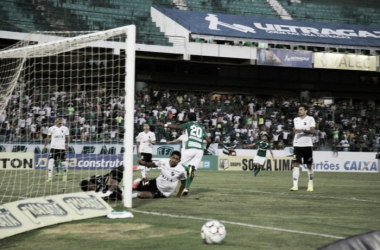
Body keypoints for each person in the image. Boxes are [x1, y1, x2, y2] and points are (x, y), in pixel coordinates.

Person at [156, 112, 210, 196]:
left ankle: (188, 169)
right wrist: (206, 148)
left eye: (186, 117)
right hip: (199, 150)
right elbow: (209, 140)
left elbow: (177, 127)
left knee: (177, 163)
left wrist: (164, 125)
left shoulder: (189, 124)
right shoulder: (201, 127)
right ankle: (186, 189)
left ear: (188, 118)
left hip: (190, 148)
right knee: (191, 171)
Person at [290, 105, 316, 192]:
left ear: (306, 111)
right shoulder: (295, 119)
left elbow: (312, 131)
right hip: (297, 146)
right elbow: (296, 131)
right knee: (296, 164)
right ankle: (295, 186)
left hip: (307, 145)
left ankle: (310, 184)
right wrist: (294, 139)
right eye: (299, 110)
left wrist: (302, 130)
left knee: (309, 165)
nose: (299, 111)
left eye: (301, 110)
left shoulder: (310, 119)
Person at [43, 117, 70, 182]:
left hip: (61, 148)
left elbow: (68, 137)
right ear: (55, 120)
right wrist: (45, 146)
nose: (60, 120)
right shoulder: (51, 128)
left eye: (61, 119)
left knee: (63, 163)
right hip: (53, 148)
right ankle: (49, 178)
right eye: (59, 119)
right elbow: (48, 138)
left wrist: (67, 145)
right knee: (51, 161)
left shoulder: (65, 128)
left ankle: (64, 176)